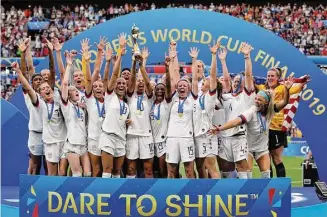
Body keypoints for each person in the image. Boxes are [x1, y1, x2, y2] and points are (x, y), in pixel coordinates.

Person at [210, 77, 294, 178]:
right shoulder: (252, 111)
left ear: (266, 102)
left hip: (262, 149)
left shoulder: (270, 111)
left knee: (267, 176)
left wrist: (287, 90)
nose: (256, 101)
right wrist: (220, 128)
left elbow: (284, 103)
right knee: (248, 176)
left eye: (259, 100)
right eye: (256, 99)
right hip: (248, 149)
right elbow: (236, 121)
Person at [14, 62, 67, 176]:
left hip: (61, 140)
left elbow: (60, 78)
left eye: (48, 87)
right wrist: (18, 72)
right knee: (35, 166)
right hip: (42, 137)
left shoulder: (59, 100)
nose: (47, 89)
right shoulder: (40, 104)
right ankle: (32, 190)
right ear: (40, 92)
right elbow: (27, 87)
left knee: (61, 172)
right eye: (43, 88)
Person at [256, 68, 309, 177]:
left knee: (277, 158)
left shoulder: (282, 88)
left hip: (277, 128)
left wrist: (301, 82)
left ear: (278, 78)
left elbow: (295, 90)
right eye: (268, 76)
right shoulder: (262, 89)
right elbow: (250, 84)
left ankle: (282, 186)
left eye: (272, 76)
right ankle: (269, 185)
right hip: (263, 129)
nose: (270, 78)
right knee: (266, 159)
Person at [217, 42, 255, 179]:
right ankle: (228, 193)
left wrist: (246, 56)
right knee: (225, 166)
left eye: (240, 81)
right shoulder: (226, 97)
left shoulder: (247, 96)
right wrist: (222, 61)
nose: (236, 82)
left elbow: (249, 75)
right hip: (225, 137)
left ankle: (248, 192)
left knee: (241, 165)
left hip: (239, 136)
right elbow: (226, 81)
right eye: (235, 80)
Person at [98, 33, 130, 178]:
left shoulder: (126, 103)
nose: (121, 84)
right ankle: (106, 198)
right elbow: (115, 75)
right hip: (108, 137)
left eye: (124, 83)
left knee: (117, 172)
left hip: (121, 138)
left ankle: (115, 199)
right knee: (107, 170)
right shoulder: (110, 96)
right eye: (119, 83)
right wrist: (120, 53)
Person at [83, 37, 112, 177]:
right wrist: (96, 54)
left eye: (101, 86)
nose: (98, 87)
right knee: (96, 170)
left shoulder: (108, 98)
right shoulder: (89, 100)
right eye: (95, 86)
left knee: (107, 169)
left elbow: (105, 78)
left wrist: (103, 55)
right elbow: (91, 77)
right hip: (94, 138)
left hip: (108, 138)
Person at [192, 42, 220, 179]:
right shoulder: (198, 96)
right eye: (202, 82)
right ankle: (204, 193)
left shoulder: (211, 95)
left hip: (207, 133)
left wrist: (214, 56)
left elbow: (213, 75)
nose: (203, 82)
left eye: (205, 82)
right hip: (197, 134)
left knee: (211, 167)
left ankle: (218, 194)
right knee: (200, 166)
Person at [126, 46, 155, 178]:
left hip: (146, 135)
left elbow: (148, 84)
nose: (141, 83)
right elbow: (132, 78)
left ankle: (149, 193)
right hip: (131, 134)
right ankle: (130, 194)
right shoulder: (130, 95)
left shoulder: (149, 97)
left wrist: (142, 65)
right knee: (131, 168)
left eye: (142, 81)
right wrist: (134, 63)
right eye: (138, 81)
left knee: (148, 168)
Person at [61, 52, 91, 177]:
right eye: (72, 90)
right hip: (72, 145)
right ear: (68, 95)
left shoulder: (82, 106)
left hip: (83, 144)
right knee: (77, 173)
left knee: (88, 174)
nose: (75, 91)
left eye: (75, 90)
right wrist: (68, 65)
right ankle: (74, 196)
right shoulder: (66, 106)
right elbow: (65, 84)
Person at [150, 55, 173, 178]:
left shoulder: (167, 102)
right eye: (157, 89)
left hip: (163, 140)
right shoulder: (151, 104)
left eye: (162, 89)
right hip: (150, 140)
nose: (160, 91)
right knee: (151, 170)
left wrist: (167, 68)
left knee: (162, 168)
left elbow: (168, 85)